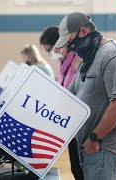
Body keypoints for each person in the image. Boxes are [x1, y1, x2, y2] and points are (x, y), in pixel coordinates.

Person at [54, 12, 116, 180]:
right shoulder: (88, 59)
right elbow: (70, 96)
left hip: (104, 148)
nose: (70, 48)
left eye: (70, 42)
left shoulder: (113, 55)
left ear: (83, 32)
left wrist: (94, 138)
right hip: (89, 148)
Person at [40, 26, 83, 180]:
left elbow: (77, 90)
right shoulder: (64, 61)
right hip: (71, 125)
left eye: (50, 50)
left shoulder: (76, 58)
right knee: (76, 168)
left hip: (81, 125)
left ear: (60, 42)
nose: (50, 54)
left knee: (81, 169)